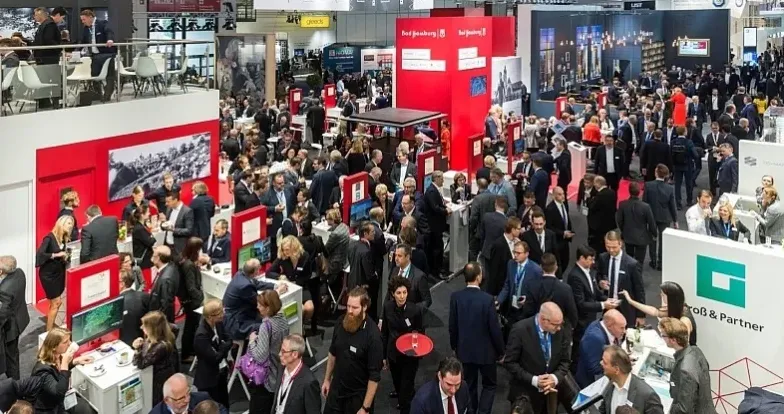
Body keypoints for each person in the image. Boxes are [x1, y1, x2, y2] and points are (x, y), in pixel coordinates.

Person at [448, 262, 504, 414]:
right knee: (489, 385)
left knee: (469, 385)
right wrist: (501, 352)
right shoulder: (487, 299)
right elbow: (494, 329)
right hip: (486, 354)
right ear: (479, 277)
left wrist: (454, 347)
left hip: (465, 351)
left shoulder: (456, 297)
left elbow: (452, 326)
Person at [503, 302, 575, 413]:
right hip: (526, 396)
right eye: (555, 324)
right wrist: (534, 380)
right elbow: (510, 363)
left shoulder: (561, 330)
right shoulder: (519, 330)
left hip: (550, 396)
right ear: (543, 320)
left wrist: (554, 378)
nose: (559, 328)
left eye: (560, 324)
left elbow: (565, 361)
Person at [322, 287, 383, 414]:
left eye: (354, 308)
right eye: (348, 306)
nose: (349, 311)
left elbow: (374, 377)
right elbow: (332, 352)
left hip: (357, 398)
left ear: (364, 307)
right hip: (336, 390)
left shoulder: (373, 336)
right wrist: (327, 379)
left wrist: (365, 408)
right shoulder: (340, 322)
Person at [382, 277, 425, 414]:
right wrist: (383, 356)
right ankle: (406, 396)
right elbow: (384, 332)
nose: (402, 296)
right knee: (398, 384)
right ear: (392, 294)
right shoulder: (387, 307)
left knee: (405, 393)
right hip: (393, 355)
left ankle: (406, 403)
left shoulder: (415, 310)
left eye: (404, 292)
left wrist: (417, 353)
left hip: (409, 356)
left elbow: (420, 333)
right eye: (399, 293)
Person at [659, 318, 717, 414]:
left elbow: (685, 409)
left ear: (673, 340)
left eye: (663, 336)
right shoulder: (696, 351)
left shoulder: (685, 370)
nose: (662, 338)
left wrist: (665, 406)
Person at [30, 327, 94, 413]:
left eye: (69, 340)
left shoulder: (56, 356)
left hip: (62, 400)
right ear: (54, 347)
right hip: (50, 408)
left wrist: (75, 362)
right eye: (65, 342)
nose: (69, 344)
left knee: (88, 410)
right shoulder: (41, 371)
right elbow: (59, 393)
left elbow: (58, 372)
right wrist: (65, 362)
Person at [246, 290, 290, 414]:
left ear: (268, 308)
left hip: (266, 380)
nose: (257, 307)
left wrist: (252, 341)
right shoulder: (283, 320)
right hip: (279, 375)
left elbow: (260, 356)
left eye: (260, 305)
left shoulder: (266, 326)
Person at [223, 259, 283, 340]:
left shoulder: (240, 274)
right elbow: (261, 303)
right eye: (259, 268)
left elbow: (256, 283)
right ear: (256, 271)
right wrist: (278, 292)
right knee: (269, 325)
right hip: (237, 323)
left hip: (238, 314)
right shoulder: (245, 286)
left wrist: (275, 286)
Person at [622, 281, 697, 345]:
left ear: (670, 297)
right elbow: (654, 312)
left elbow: (683, 343)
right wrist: (630, 301)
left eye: (663, 294)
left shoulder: (684, 320)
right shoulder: (676, 307)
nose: (661, 295)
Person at [596, 231, 646, 328]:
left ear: (620, 244)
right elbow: (599, 275)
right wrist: (600, 282)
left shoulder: (632, 264)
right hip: (609, 306)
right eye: (608, 247)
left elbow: (639, 290)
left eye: (614, 247)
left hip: (626, 309)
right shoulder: (603, 258)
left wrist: (641, 315)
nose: (611, 250)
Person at [598, 345, 664, 414]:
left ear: (616, 369)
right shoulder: (610, 384)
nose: (601, 363)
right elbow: (603, 410)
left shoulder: (647, 395)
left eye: (605, 362)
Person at [132, 311, 180, 406]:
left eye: (144, 326)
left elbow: (141, 364)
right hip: (160, 374)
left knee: (158, 403)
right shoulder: (162, 335)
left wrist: (137, 349)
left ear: (152, 329)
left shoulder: (161, 347)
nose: (141, 327)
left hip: (159, 380)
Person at [267, 236, 316, 326]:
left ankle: (302, 324)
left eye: (287, 249)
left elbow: (308, 275)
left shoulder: (304, 256)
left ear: (294, 247)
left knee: (310, 309)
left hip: (302, 286)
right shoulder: (283, 257)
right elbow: (269, 272)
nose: (285, 252)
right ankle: (300, 328)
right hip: (288, 288)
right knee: (301, 309)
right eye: (283, 250)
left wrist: (296, 282)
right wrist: (280, 276)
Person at [520, 253, 578, 329]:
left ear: (541, 267)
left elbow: (528, 312)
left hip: (537, 329)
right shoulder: (565, 289)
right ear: (556, 267)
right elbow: (572, 315)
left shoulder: (532, 286)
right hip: (558, 330)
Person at [192, 299, 232, 407]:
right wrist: (223, 348)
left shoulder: (218, 324)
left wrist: (222, 348)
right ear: (210, 317)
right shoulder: (201, 335)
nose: (223, 314)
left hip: (221, 373)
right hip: (208, 380)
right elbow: (214, 359)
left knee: (224, 405)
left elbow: (229, 339)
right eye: (220, 313)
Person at [36, 215, 73, 332]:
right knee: (56, 303)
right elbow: (40, 254)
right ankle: (49, 332)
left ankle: (51, 327)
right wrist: (57, 255)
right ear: (61, 223)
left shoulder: (63, 238)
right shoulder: (49, 238)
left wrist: (65, 256)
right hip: (48, 275)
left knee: (54, 303)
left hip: (58, 274)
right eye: (68, 223)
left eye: (71, 224)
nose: (70, 226)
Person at [574, 310, 627, 388]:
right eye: (621, 328)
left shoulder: (603, 325)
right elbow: (595, 370)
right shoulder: (595, 338)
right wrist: (619, 366)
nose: (624, 331)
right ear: (610, 326)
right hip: (592, 385)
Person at [275, 334, 322, 414]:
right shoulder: (281, 368)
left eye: (283, 351)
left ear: (295, 354)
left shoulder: (309, 382)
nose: (279, 354)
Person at [643, 164, 678, 270]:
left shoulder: (648, 185)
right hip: (665, 217)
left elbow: (645, 202)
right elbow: (672, 205)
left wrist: (644, 217)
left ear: (656, 173)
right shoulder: (670, 188)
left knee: (652, 239)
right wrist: (675, 220)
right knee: (663, 240)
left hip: (651, 216)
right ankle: (661, 262)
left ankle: (653, 261)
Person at [616, 181, 657, 272]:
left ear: (629, 191)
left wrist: (624, 230)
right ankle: (637, 276)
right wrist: (654, 234)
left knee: (629, 259)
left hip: (628, 236)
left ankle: (629, 276)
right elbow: (651, 222)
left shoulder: (623, 204)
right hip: (642, 237)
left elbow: (619, 220)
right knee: (639, 261)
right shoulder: (645, 206)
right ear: (639, 192)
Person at [0, 256, 28, 380]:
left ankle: (14, 383)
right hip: (20, 318)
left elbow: (2, 315)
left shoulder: (4, 290)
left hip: (10, 329)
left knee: (11, 357)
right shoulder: (19, 273)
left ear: (1, 271)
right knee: (14, 353)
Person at [177, 238, 205, 363]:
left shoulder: (184, 259)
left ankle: (189, 351)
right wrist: (200, 297)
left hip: (189, 300)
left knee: (191, 326)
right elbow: (191, 287)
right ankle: (186, 354)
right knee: (190, 327)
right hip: (192, 302)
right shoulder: (188, 265)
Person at [79, 8, 116, 100]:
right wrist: (75, 52)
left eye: (84, 19)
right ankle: (98, 95)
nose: (83, 22)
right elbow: (82, 42)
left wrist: (110, 39)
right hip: (95, 56)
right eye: (82, 20)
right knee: (94, 75)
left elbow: (109, 32)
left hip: (106, 54)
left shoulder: (102, 23)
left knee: (109, 76)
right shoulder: (86, 28)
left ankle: (107, 96)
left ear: (90, 17)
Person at [150, 373, 229, 414]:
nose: (187, 400)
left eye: (188, 393)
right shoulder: (156, 412)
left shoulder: (202, 398)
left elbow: (221, 409)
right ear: (167, 400)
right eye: (181, 398)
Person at [485, 217, 523, 296]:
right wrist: (493, 294)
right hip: (501, 288)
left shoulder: (517, 242)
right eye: (519, 229)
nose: (521, 231)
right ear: (512, 230)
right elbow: (494, 270)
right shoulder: (498, 245)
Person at [423, 171, 451, 277]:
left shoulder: (435, 189)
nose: (443, 180)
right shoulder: (431, 191)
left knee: (438, 247)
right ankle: (437, 270)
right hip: (434, 226)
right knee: (437, 248)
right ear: (436, 178)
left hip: (436, 225)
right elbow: (435, 208)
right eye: (442, 178)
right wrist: (446, 211)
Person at [545, 187, 574, 271]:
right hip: (557, 241)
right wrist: (563, 233)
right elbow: (549, 227)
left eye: (563, 194)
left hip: (565, 240)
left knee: (566, 261)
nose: (563, 196)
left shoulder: (564, 204)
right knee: (559, 263)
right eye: (560, 194)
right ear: (554, 196)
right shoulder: (550, 209)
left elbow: (566, 219)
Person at [119, 269, 150, 346]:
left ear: (122, 284)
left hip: (125, 345)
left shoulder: (117, 304)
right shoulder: (145, 296)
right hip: (146, 341)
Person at [587, 176, 617, 254]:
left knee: (599, 243)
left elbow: (592, 207)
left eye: (595, 183)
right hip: (610, 222)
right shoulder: (612, 192)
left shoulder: (600, 195)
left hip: (599, 224)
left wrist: (589, 198)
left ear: (598, 183)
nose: (594, 185)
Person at [149, 246, 179, 323]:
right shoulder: (171, 266)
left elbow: (166, 305)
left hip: (162, 321)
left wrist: (158, 322)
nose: (152, 258)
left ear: (158, 258)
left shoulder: (166, 279)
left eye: (153, 255)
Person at [129, 205, 156, 270]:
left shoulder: (142, 225)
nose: (149, 214)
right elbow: (150, 242)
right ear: (142, 215)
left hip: (146, 257)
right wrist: (153, 238)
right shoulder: (139, 229)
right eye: (148, 212)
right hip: (144, 260)